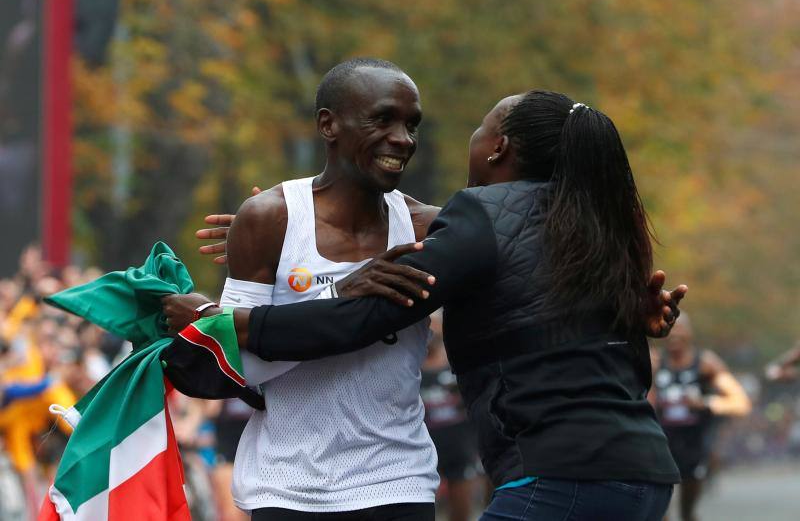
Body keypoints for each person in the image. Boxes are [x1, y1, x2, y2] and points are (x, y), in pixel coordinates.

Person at [165, 90, 687, 520]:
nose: (406, 139)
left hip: (557, 476)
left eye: (478, 126)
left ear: (497, 146)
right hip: (645, 475)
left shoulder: (480, 216)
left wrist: (225, 324)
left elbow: (366, 315)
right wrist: (285, 230)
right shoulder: (587, 223)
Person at [204, 58, 442, 520]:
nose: (403, 139)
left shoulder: (425, 228)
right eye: (383, 119)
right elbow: (238, 371)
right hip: (287, 488)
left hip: (399, 480)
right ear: (328, 124)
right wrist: (339, 300)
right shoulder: (269, 218)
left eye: (412, 125)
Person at [650, 314, 751, 521]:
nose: (675, 334)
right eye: (671, 328)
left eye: (680, 328)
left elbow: (740, 402)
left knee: (688, 511)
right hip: (661, 442)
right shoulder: (654, 362)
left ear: (690, 333)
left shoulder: (706, 363)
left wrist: (704, 403)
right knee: (659, 511)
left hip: (694, 444)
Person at [420, 310, 484, 521]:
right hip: (423, 453)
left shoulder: (457, 362)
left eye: (435, 324)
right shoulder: (411, 368)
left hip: (460, 450)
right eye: (427, 325)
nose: (431, 330)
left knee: (462, 511)